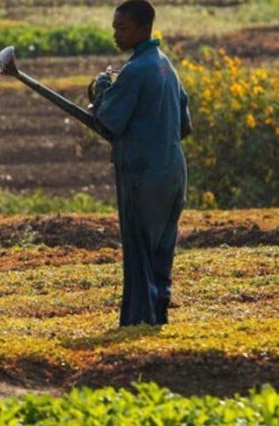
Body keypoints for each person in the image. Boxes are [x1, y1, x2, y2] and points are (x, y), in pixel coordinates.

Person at [89, 0, 192, 326]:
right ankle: (157, 315)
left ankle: (137, 320)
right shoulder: (165, 66)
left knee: (139, 253)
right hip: (173, 173)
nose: (115, 34)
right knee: (161, 251)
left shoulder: (136, 70)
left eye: (122, 28)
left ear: (141, 29)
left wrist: (103, 87)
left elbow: (108, 120)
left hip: (143, 175)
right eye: (114, 27)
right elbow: (184, 125)